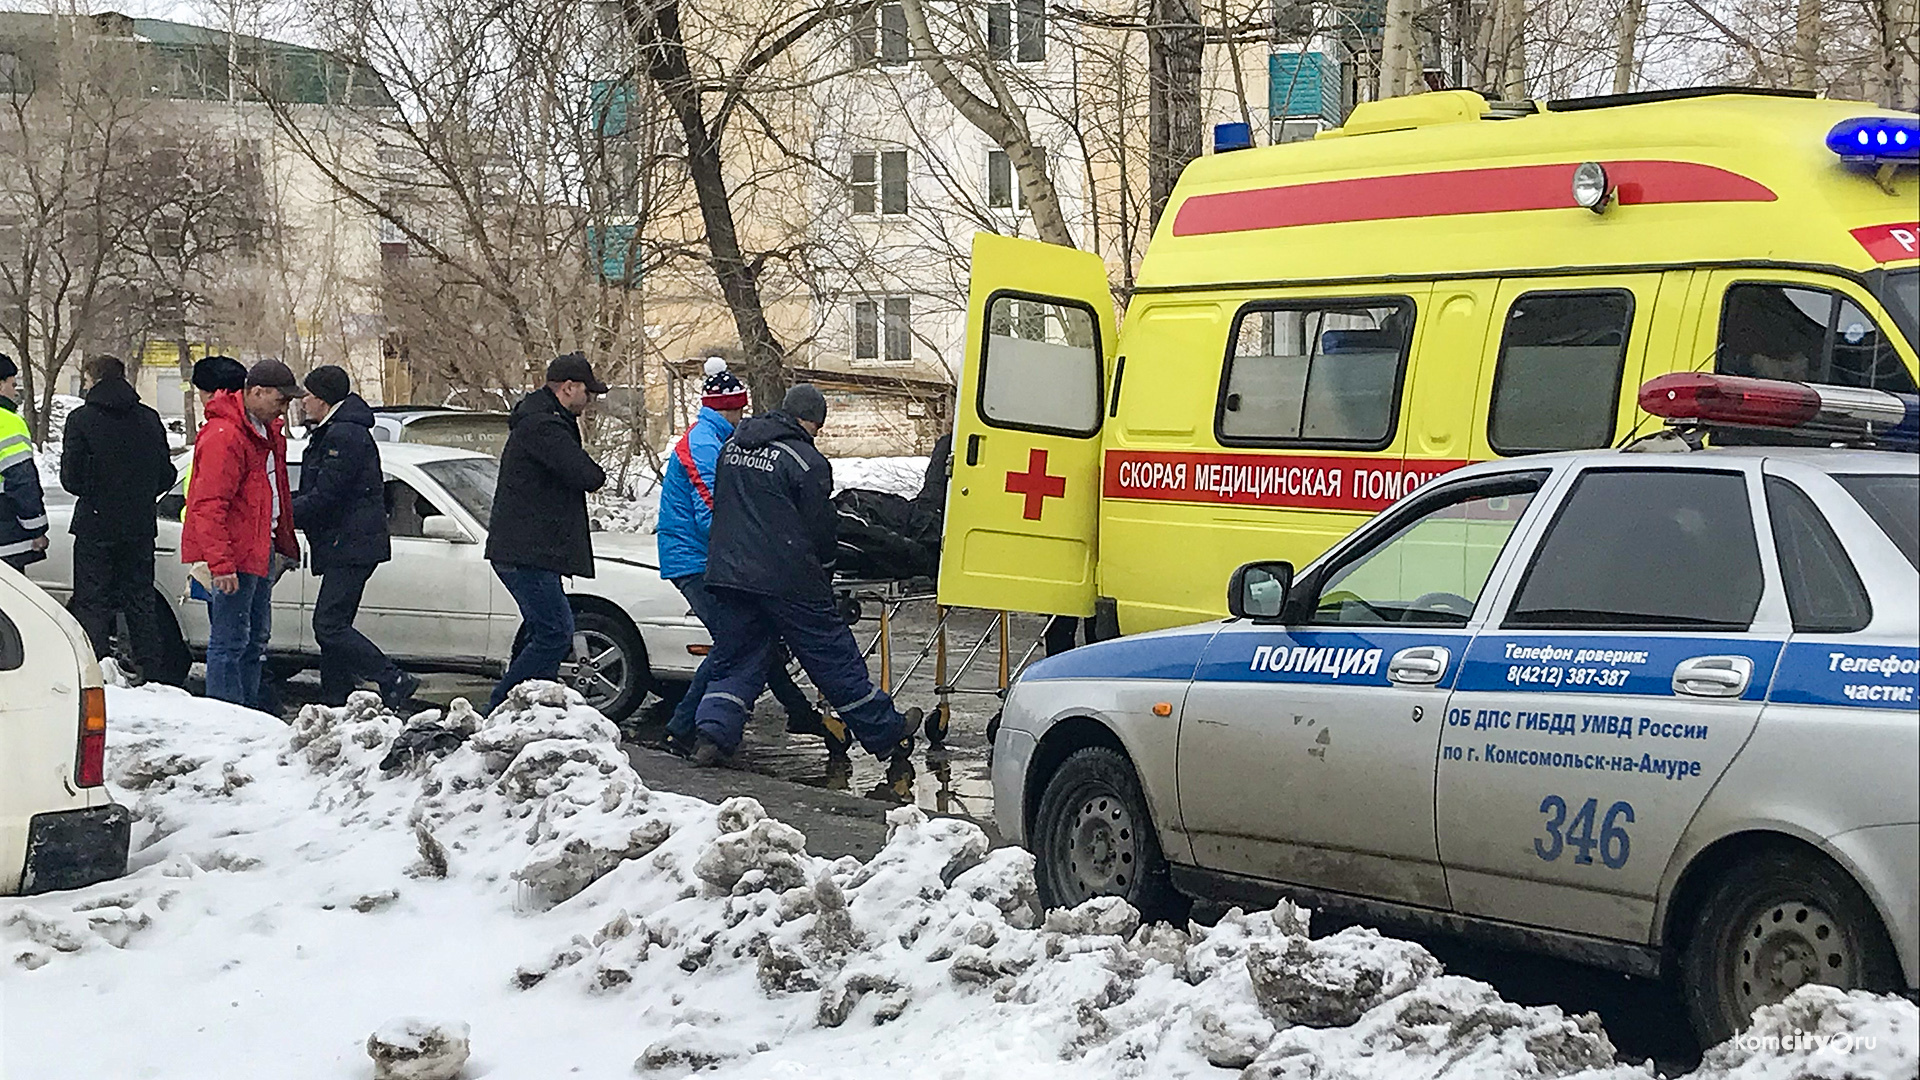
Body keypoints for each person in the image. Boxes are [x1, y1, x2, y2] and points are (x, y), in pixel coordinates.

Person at [690, 384, 917, 769]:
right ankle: (888, 734)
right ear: (810, 421)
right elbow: (820, 530)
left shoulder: (733, 448)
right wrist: (824, 574)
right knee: (833, 660)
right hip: (788, 579)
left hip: (729, 573)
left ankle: (712, 733)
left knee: (737, 659)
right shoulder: (806, 461)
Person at [655, 359, 824, 754]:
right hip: (694, 559)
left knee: (752, 639)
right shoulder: (702, 443)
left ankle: (798, 712)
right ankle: (681, 729)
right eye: (740, 409)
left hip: (708, 557)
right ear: (729, 408)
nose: (742, 415)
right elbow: (712, 510)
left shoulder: (715, 439)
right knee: (736, 644)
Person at [485, 352, 608, 712]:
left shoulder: (542, 419)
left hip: (528, 550)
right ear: (568, 388)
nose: (590, 400)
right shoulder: (544, 426)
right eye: (588, 392)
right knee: (555, 631)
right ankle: (503, 707)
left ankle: (535, 705)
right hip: (527, 551)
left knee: (545, 631)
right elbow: (587, 475)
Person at [293, 365, 419, 709]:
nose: (302, 402)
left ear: (321, 399)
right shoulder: (336, 429)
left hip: (349, 544)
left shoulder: (343, 435)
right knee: (336, 624)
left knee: (328, 625)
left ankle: (391, 677)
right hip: (347, 543)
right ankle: (336, 697)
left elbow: (328, 494)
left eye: (307, 395)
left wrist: (281, 513)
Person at [181, 359, 301, 709]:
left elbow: (274, 493)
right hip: (236, 553)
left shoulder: (263, 433)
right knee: (231, 642)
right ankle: (227, 717)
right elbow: (209, 505)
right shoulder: (227, 435)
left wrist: (282, 543)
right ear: (256, 392)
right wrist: (221, 564)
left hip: (258, 549)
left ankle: (245, 712)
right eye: (281, 400)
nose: (285, 408)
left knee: (253, 640)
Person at [58, 356, 178, 680]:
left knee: (92, 601)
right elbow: (166, 475)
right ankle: (151, 671)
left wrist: (98, 491)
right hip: (139, 525)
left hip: (95, 524)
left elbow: (71, 479)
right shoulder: (149, 418)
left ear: (92, 379)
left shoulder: (81, 419)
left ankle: (94, 672)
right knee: (140, 599)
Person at [0, 353, 49, 572]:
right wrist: (36, 530)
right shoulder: (8, 422)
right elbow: (22, 481)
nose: (15, 390)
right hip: (5, 540)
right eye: (12, 383)